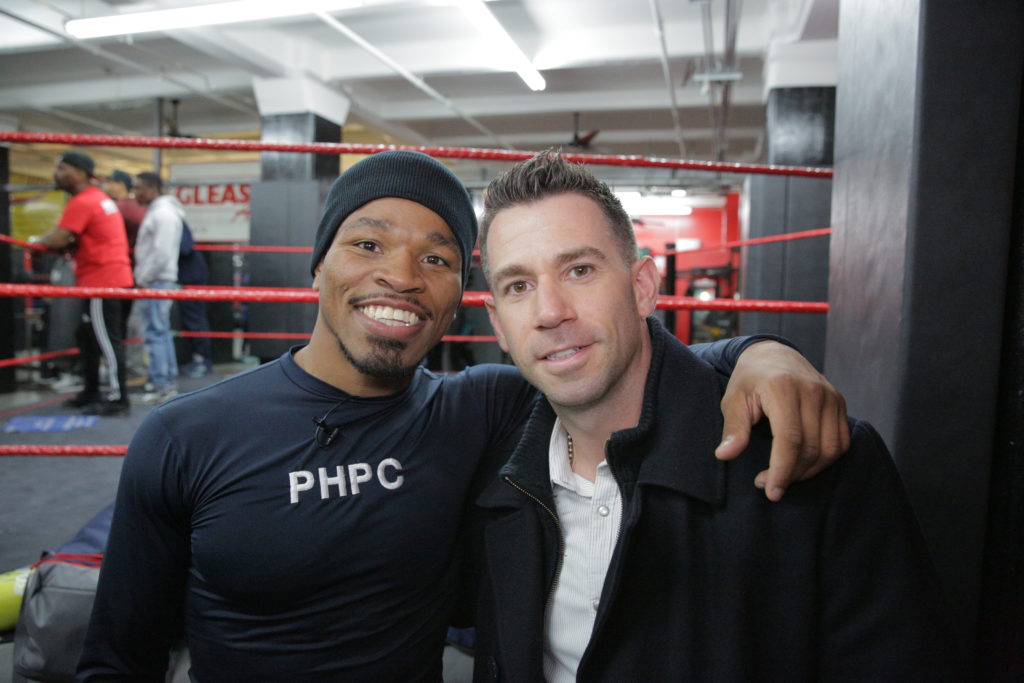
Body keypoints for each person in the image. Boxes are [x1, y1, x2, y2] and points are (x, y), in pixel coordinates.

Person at [77, 151, 849, 681]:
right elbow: (119, 660)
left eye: (439, 257)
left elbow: (617, 357)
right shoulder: (185, 435)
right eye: (368, 241)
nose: (402, 276)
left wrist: (758, 353)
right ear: (319, 266)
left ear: (460, 303)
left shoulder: (480, 405)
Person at [472, 152, 951, 681]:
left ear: (643, 287)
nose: (548, 312)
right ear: (496, 322)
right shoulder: (495, 465)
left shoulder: (818, 459)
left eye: (579, 270)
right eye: (519, 286)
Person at [32, 151, 133, 416]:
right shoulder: (98, 199)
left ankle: (118, 398)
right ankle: (91, 391)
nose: (58, 173)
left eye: (63, 168)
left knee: (106, 340)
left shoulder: (84, 201)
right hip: (107, 278)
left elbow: (57, 238)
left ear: (80, 172)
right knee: (87, 337)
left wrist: (35, 242)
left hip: (103, 281)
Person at [132, 172, 184, 404]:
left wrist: (143, 277)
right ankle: (165, 381)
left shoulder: (163, 214)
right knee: (160, 332)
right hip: (158, 279)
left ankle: (161, 383)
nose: (135, 193)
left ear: (152, 189)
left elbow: (161, 254)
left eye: (139, 188)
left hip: (156, 280)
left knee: (155, 332)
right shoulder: (161, 212)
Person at [103, 168, 148, 378]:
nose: (105, 186)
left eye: (109, 182)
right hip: (131, 274)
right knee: (128, 326)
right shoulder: (136, 209)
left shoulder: (118, 208)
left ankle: (119, 372)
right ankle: (128, 369)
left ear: (120, 185)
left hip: (117, 275)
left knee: (115, 328)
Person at [177, 220, 215, 377]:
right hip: (189, 275)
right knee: (193, 319)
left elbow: (185, 247)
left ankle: (203, 360)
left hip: (191, 276)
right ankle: (201, 359)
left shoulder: (171, 218)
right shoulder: (174, 217)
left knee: (195, 319)